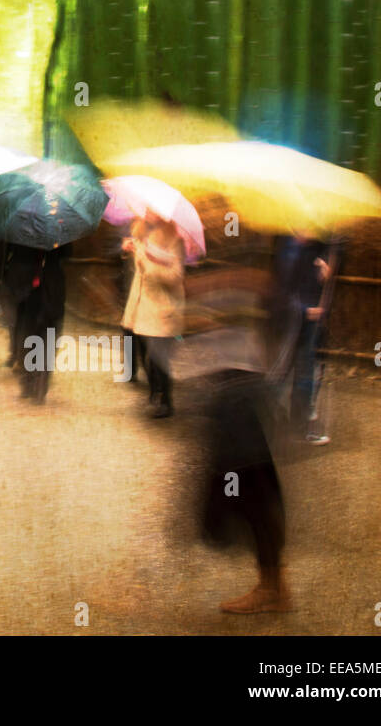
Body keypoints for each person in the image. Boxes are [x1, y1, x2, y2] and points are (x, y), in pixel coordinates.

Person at [181, 267, 291, 614]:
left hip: (241, 400)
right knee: (251, 493)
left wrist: (211, 309)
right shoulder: (239, 243)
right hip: (233, 395)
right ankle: (274, 584)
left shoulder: (251, 254)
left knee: (250, 494)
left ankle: (273, 588)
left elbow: (260, 284)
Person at [271, 232, 344, 444]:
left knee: (304, 374)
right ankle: (273, 423)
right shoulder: (288, 246)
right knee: (281, 372)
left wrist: (323, 271)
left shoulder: (316, 245)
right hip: (292, 319)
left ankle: (300, 426)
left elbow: (312, 279)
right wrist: (304, 311)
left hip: (308, 322)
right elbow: (283, 288)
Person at [121, 213, 186, 418]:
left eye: (154, 210)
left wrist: (152, 262)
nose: (149, 213)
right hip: (141, 304)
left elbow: (176, 277)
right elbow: (139, 270)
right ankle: (153, 393)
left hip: (162, 306)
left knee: (159, 357)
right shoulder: (140, 233)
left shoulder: (175, 240)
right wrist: (129, 251)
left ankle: (165, 400)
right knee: (144, 353)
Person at [2, 241, 67, 402]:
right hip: (25, 290)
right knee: (26, 339)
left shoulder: (60, 226)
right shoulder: (22, 227)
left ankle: (40, 386)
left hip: (51, 290)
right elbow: (10, 250)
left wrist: (54, 244)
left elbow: (66, 253)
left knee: (48, 339)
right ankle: (27, 381)